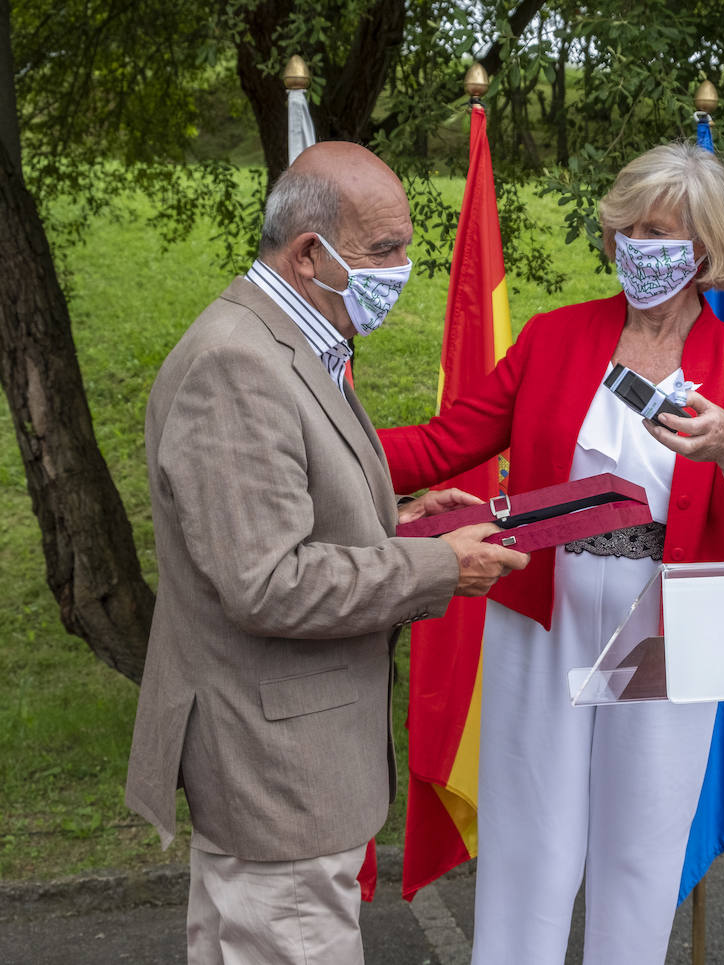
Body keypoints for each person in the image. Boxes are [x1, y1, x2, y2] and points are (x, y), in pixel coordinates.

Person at [379, 141, 724, 964]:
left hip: (668, 627)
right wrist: (319, 439)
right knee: (529, 842)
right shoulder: (553, 338)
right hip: (546, 608)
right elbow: (442, 443)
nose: (642, 246)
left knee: (640, 848)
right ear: (611, 237)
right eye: (631, 228)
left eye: (665, 233)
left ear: (707, 252)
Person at [124, 141, 528, 964]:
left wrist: (403, 513)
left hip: (297, 764)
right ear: (311, 253)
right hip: (276, 775)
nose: (405, 267)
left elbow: (291, 511)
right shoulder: (238, 362)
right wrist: (441, 566)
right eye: (385, 249)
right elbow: (268, 581)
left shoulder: (296, 339)